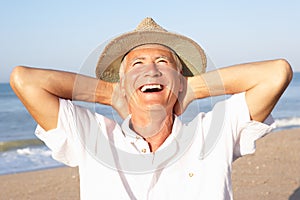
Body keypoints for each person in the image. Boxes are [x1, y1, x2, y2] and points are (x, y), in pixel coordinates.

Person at [10, 17, 292, 200]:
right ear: (122, 82)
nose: (151, 71)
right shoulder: (93, 136)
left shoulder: (211, 133)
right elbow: (25, 80)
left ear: (180, 78)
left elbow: (276, 73)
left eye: (163, 63)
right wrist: (112, 93)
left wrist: (191, 89)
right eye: (137, 64)